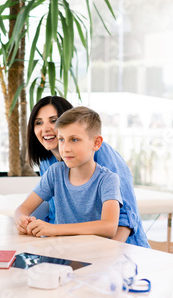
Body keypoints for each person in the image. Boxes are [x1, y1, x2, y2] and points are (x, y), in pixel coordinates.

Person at [18, 96, 149, 247]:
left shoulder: (100, 159)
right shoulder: (49, 163)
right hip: (71, 249)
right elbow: (51, 210)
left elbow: (125, 216)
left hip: (117, 248)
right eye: (38, 122)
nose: (45, 128)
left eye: (53, 120)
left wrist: (105, 253)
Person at [15, 107, 122, 237]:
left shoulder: (107, 180)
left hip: (93, 254)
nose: (65, 149)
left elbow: (109, 227)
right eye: (61, 139)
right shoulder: (55, 173)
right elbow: (23, 208)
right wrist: (21, 219)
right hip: (60, 253)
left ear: (96, 142)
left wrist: (55, 229)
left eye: (74, 140)